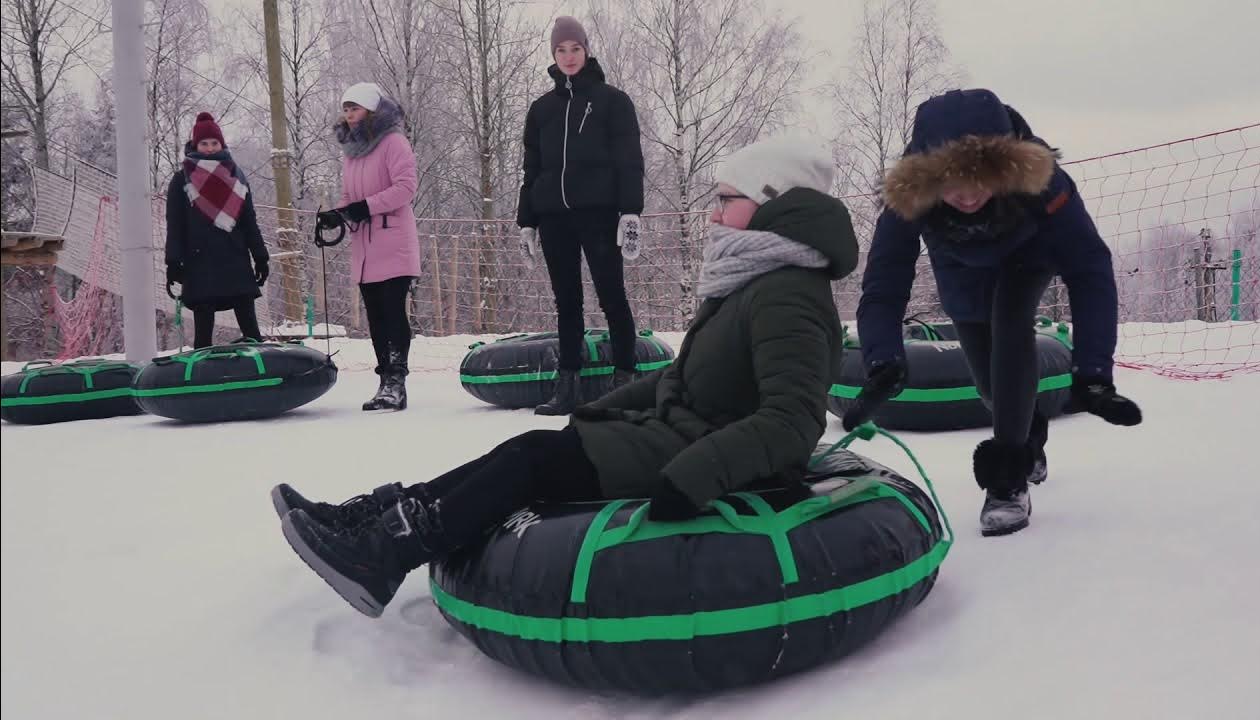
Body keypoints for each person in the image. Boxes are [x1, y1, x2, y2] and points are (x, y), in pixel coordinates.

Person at [272, 135, 859, 618]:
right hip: (677, 431)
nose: (713, 213)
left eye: (726, 199)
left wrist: (694, 475)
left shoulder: (789, 295)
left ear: (772, 203)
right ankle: (376, 516)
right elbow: (687, 377)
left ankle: (387, 551)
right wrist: (607, 406)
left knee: (529, 458)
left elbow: (792, 420)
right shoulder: (752, 281)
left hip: (701, 452)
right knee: (525, 450)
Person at [849, 88, 1143, 538]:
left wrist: (1093, 373)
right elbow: (885, 279)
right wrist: (883, 361)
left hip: (1028, 254)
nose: (967, 196)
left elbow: (1089, 268)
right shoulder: (908, 195)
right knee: (989, 384)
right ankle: (1029, 434)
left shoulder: (1040, 180)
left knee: (1010, 322)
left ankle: (1006, 481)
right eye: (952, 183)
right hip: (960, 268)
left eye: (981, 179)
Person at [515, 16, 646, 416]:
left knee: (612, 296)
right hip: (554, 216)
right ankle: (568, 384)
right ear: (553, 55)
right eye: (561, 50)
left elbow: (629, 161)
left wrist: (630, 213)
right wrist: (527, 219)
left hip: (600, 214)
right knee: (566, 301)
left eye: (575, 48)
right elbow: (531, 167)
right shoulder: (542, 109)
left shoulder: (613, 101)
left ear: (586, 50)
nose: (568, 56)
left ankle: (625, 382)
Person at [317, 82, 420, 412]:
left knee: (392, 311)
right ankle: (384, 382)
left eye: (355, 108)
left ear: (371, 111)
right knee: (375, 316)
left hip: (393, 240)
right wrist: (339, 214)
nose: (349, 115)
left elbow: (405, 188)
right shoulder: (351, 152)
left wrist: (366, 207)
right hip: (365, 244)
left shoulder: (393, 143)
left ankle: (397, 382)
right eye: (346, 109)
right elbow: (350, 197)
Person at [165, 112, 269, 348]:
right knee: (203, 331)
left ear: (222, 144)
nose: (210, 148)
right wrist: (173, 262)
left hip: (235, 257)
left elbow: (249, 220)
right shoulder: (181, 180)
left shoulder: (236, 176)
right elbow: (175, 224)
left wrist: (261, 256)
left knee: (250, 327)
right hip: (199, 261)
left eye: (214, 143)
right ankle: (202, 375)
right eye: (204, 143)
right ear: (195, 145)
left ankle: (261, 371)